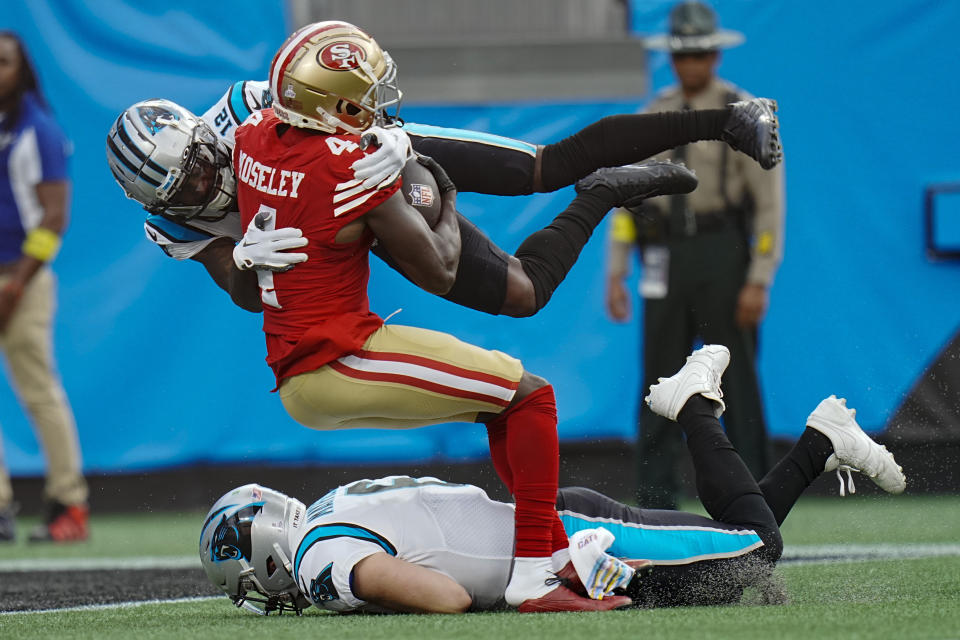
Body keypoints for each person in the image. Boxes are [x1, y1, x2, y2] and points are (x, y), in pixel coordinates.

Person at [198, 344, 906, 615]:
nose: (258, 590)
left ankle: (693, 403)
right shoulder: (330, 509)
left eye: (248, 578)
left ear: (260, 550)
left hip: (571, 545)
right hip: (556, 542)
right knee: (728, 578)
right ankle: (820, 442)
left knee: (756, 550)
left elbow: (442, 597)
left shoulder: (322, 558)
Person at [106, 43, 782, 318]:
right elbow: (246, 294)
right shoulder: (171, 224)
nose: (203, 185)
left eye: (199, 164)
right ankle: (604, 193)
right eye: (184, 189)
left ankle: (729, 121)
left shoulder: (241, 107)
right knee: (523, 296)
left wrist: (388, 138)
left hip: (371, 158)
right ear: (157, 202)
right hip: (341, 229)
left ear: (201, 135)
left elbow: (338, 100)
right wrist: (243, 267)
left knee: (543, 167)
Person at [606, 0, 786, 508]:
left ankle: (754, 493)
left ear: (715, 56)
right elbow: (626, 196)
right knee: (660, 376)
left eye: (701, 54)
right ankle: (656, 496)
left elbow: (770, 205)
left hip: (721, 253)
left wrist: (759, 276)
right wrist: (617, 270)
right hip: (664, 251)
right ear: (672, 59)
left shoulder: (743, 113)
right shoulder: (654, 113)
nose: (692, 64)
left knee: (737, 376)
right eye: (683, 55)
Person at [0, 31, 88, 543]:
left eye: (4, 61)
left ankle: (68, 506)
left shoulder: (40, 129)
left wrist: (16, 284)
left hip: (23, 278)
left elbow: (54, 218)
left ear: (22, 70)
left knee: (38, 390)